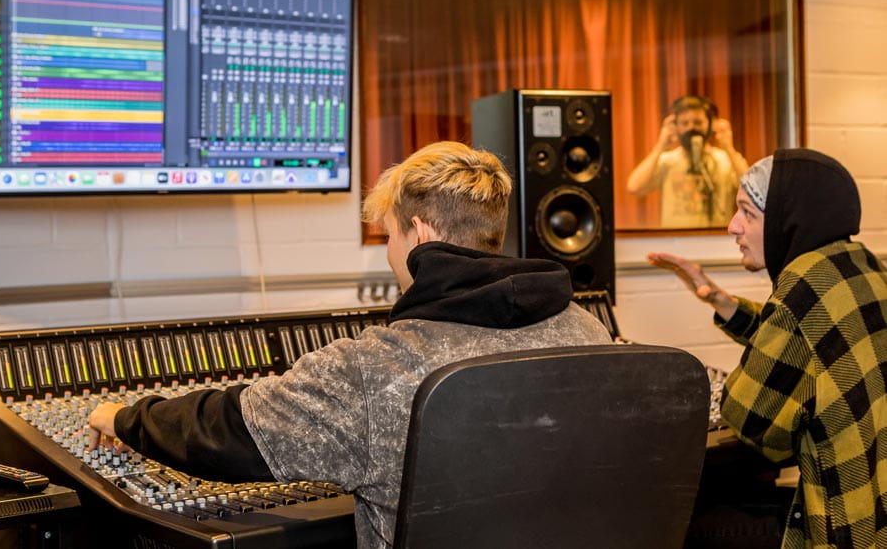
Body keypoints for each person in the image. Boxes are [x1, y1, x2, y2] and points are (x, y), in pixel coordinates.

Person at [87, 141, 611, 549]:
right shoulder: (587, 330)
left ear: (421, 234)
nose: (389, 251)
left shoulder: (378, 366)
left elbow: (226, 430)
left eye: (389, 234)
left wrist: (125, 417)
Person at [648, 148, 887, 548]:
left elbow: (750, 420)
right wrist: (720, 301)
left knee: (679, 525)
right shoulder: (859, 267)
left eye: (747, 212)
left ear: (785, 219)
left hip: (833, 526)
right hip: (873, 515)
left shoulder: (800, 288)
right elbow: (813, 342)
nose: (732, 226)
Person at [626, 95, 749, 228]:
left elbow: (751, 190)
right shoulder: (667, 161)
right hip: (676, 242)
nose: (691, 128)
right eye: (684, 123)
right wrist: (661, 145)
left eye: (698, 122)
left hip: (715, 241)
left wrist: (729, 148)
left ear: (711, 124)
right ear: (676, 126)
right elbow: (634, 187)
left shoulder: (725, 160)